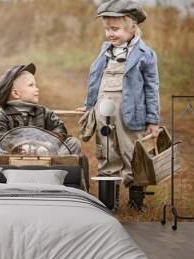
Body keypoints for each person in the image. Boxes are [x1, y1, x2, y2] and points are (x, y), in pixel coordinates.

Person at [76, 0, 160, 211]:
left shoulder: (145, 54)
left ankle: (137, 200)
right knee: (106, 150)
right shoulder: (105, 51)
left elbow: (152, 88)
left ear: (132, 27)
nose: (110, 34)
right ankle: (108, 202)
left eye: (115, 29)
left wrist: (153, 119)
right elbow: (95, 79)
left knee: (133, 152)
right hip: (104, 110)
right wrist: (89, 106)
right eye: (107, 29)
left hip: (129, 113)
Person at [0, 63, 81, 155]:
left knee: (73, 143)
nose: (37, 89)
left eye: (35, 85)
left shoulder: (44, 112)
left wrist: (49, 142)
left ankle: (57, 167)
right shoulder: (3, 116)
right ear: (16, 93)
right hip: (14, 156)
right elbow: (0, 136)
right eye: (31, 85)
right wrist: (17, 146)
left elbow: (59, 128)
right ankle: (3, 169)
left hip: (45, 154)